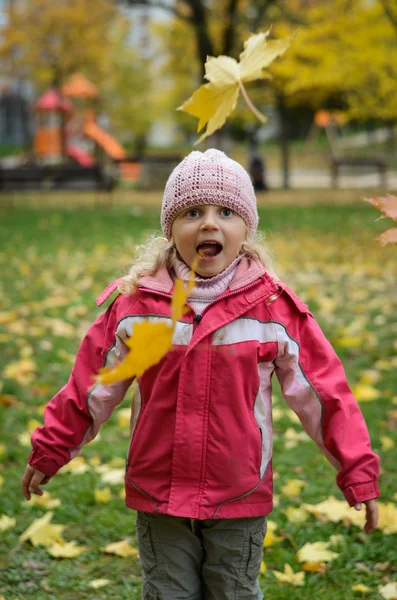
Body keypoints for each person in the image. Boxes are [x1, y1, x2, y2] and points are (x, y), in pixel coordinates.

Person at [21, 149, 380, 600]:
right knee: (167, 592)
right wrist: (51, 447)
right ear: (170, 227)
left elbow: (325, 395)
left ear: (245, 227)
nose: (209, 224)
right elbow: (91, 387)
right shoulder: (137, 307)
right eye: (193, 211)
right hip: (158, 491)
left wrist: (357, 471)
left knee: (233, 591)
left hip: (238, 492)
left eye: (225, 211)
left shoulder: (273, 309)